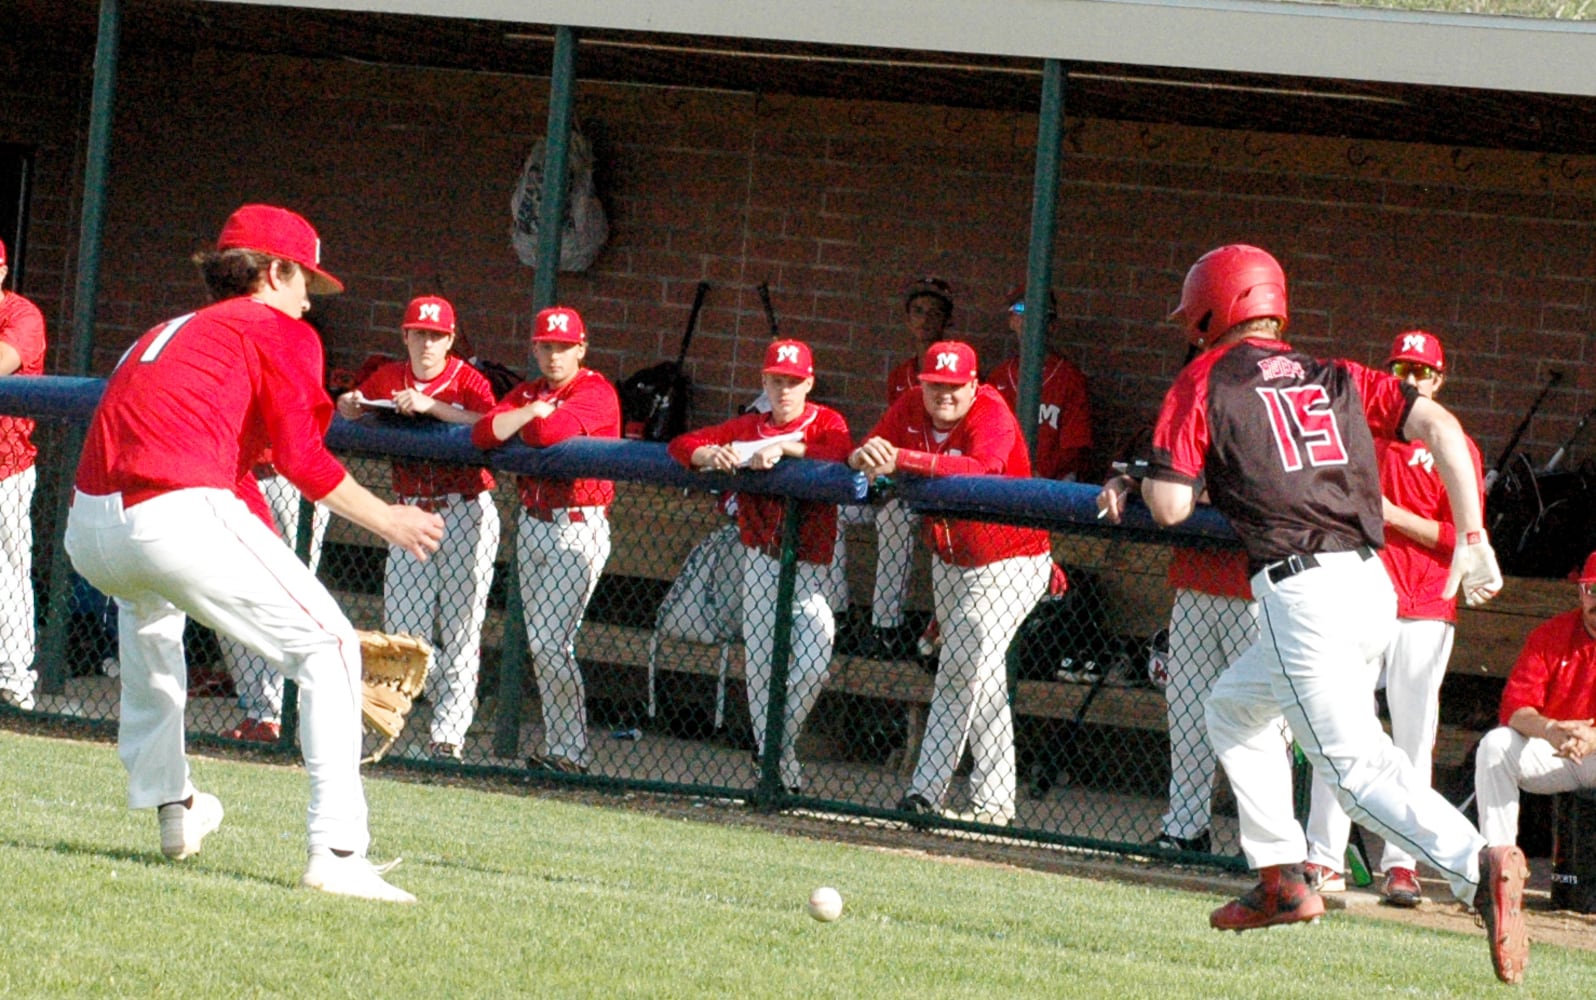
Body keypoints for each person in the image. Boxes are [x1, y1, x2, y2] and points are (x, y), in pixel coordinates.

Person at [1112, 243, 1524, 983]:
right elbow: (1444, 433)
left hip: (1300, 591)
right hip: (1372, 584)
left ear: (1214, 309)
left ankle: (1477, 867)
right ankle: (1281, 879)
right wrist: (1471, 534)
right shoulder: (1335, 372)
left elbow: (1170, 506)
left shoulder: (1201, 378)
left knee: (1355, 769)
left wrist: (1154, 478)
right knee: (1234, 708)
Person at [63, 204, 443, 903]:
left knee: (151, 630)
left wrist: (291, 589)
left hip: (90, 528)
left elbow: (234, 477)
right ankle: (337, 852)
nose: (309, 301)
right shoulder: (277, 330)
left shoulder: (165, 332)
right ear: (274, 272)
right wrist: (389, 518)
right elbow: (302, 459)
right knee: (328, 646)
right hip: (171, 511)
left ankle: (173, 807)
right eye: (305, 283)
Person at [1304, 330, 1482, 906]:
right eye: (1401, 370)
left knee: (1412, 741)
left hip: (1427, 604)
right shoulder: (1363, 438)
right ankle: (1324, 858)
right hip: (1365, 595)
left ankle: (1402, 865)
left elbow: (1462, 538)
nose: (1411, 381)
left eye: (1423, 372)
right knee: (1342, 728)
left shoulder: (1455, 445)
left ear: (1440, 380)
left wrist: (1395, 516)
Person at [850, 340, 1053, 826]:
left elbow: (982, 468)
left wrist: (900, 459)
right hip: (949, 559)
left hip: (1012, 561)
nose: (945, 395)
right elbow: (865, 452)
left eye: (954, 386)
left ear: (973, 385)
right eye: (935, 385)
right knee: (979, 677)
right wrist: (864, 454)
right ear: (923, 384)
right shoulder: (908, 407)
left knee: (961, 664)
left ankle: (924, 791)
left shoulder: (992, 411)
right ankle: (996, 800)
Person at [668, 339, 852, 791]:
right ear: (764, 381)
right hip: (760, 560)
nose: (785, 389)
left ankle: (771, 752)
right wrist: (708, 455)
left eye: (793, 381)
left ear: (808, 382)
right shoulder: (749, 424)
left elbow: (841, 453)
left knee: (811, 663)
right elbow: (681, 443)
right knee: (764, 669)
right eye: (776, 380)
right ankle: (778, 772)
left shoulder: (825, 420)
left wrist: (787, 449)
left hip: (810, 565)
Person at [339, 295, 499, 762]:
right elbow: (358, 405)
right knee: (404, 630)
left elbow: (490, 425)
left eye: (436, 335)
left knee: (460, 627)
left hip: (464, 509)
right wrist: (351, 405)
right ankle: (394, 726)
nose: (427, 343)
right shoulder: (389, 376)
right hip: (408, 511)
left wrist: (434, 407)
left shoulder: (468, 380)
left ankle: (447, 734)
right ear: (405, 336)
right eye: (419, 333)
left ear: (450, 339)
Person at [472, 305, 618, 775]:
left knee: (552, 641)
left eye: (564, 346)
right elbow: (481, 433)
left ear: (581, 348)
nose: (555, 355)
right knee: (543, 643)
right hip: (533, 524)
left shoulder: (596, 390)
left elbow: (548, 432)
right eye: (546, 346)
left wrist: (525, 418)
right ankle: (562, 749)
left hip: (579, 525)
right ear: (535, 348)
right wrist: (530, 409)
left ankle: (572, 752)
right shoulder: (530, 392)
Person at [1475, 551, 1596, 851]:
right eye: (1593, 590)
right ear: (1581, 593)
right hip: (1557, 750)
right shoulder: (1550, 634)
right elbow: (1515, 709)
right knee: (1495, 745)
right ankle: (1499, 862)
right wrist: (1551, 729)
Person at [864, 276, 954, 660]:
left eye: (935, 313)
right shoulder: (899, 375)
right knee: (887, 519)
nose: (925, 319)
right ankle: (883, 628)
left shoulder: (956, 373)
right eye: (918, 311)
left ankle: (940, 628)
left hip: (945, 481)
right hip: (904, 480)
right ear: (906, 318)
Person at [215, 452, 330, 743]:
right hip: (232, 476)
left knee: (284, 596)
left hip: (287, 480)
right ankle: (257, 709)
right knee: (224, 593)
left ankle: (277, 713)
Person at [0, 237, 45, 711]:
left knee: (8, 572)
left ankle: (14, 680)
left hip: (6, 468)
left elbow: (3, 361)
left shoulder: (22, 315)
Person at [988, 285, 1092, 481]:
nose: (1029, 319)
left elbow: (1075, 448)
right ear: (1011, 321)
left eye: (1039, 312)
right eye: (1020, 310)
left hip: (1051, 484)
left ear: (1052, 325)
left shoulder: (1069, 378)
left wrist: (1036, 474)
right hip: (1003, 481)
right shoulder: (999, 376)